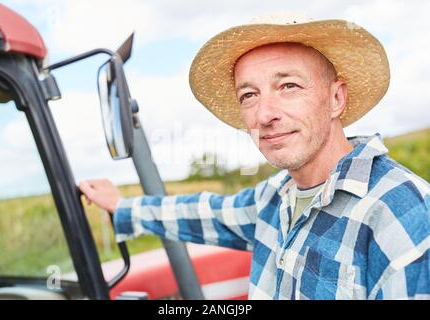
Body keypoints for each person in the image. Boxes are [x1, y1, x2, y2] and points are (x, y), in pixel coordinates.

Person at [79, 15, 429, 300]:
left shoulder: (399, 215)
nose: (264, 115)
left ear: (336, 98)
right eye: (249, 95)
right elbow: (206, 214)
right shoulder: (275, 198)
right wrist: (121, 206)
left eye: (288, 86)